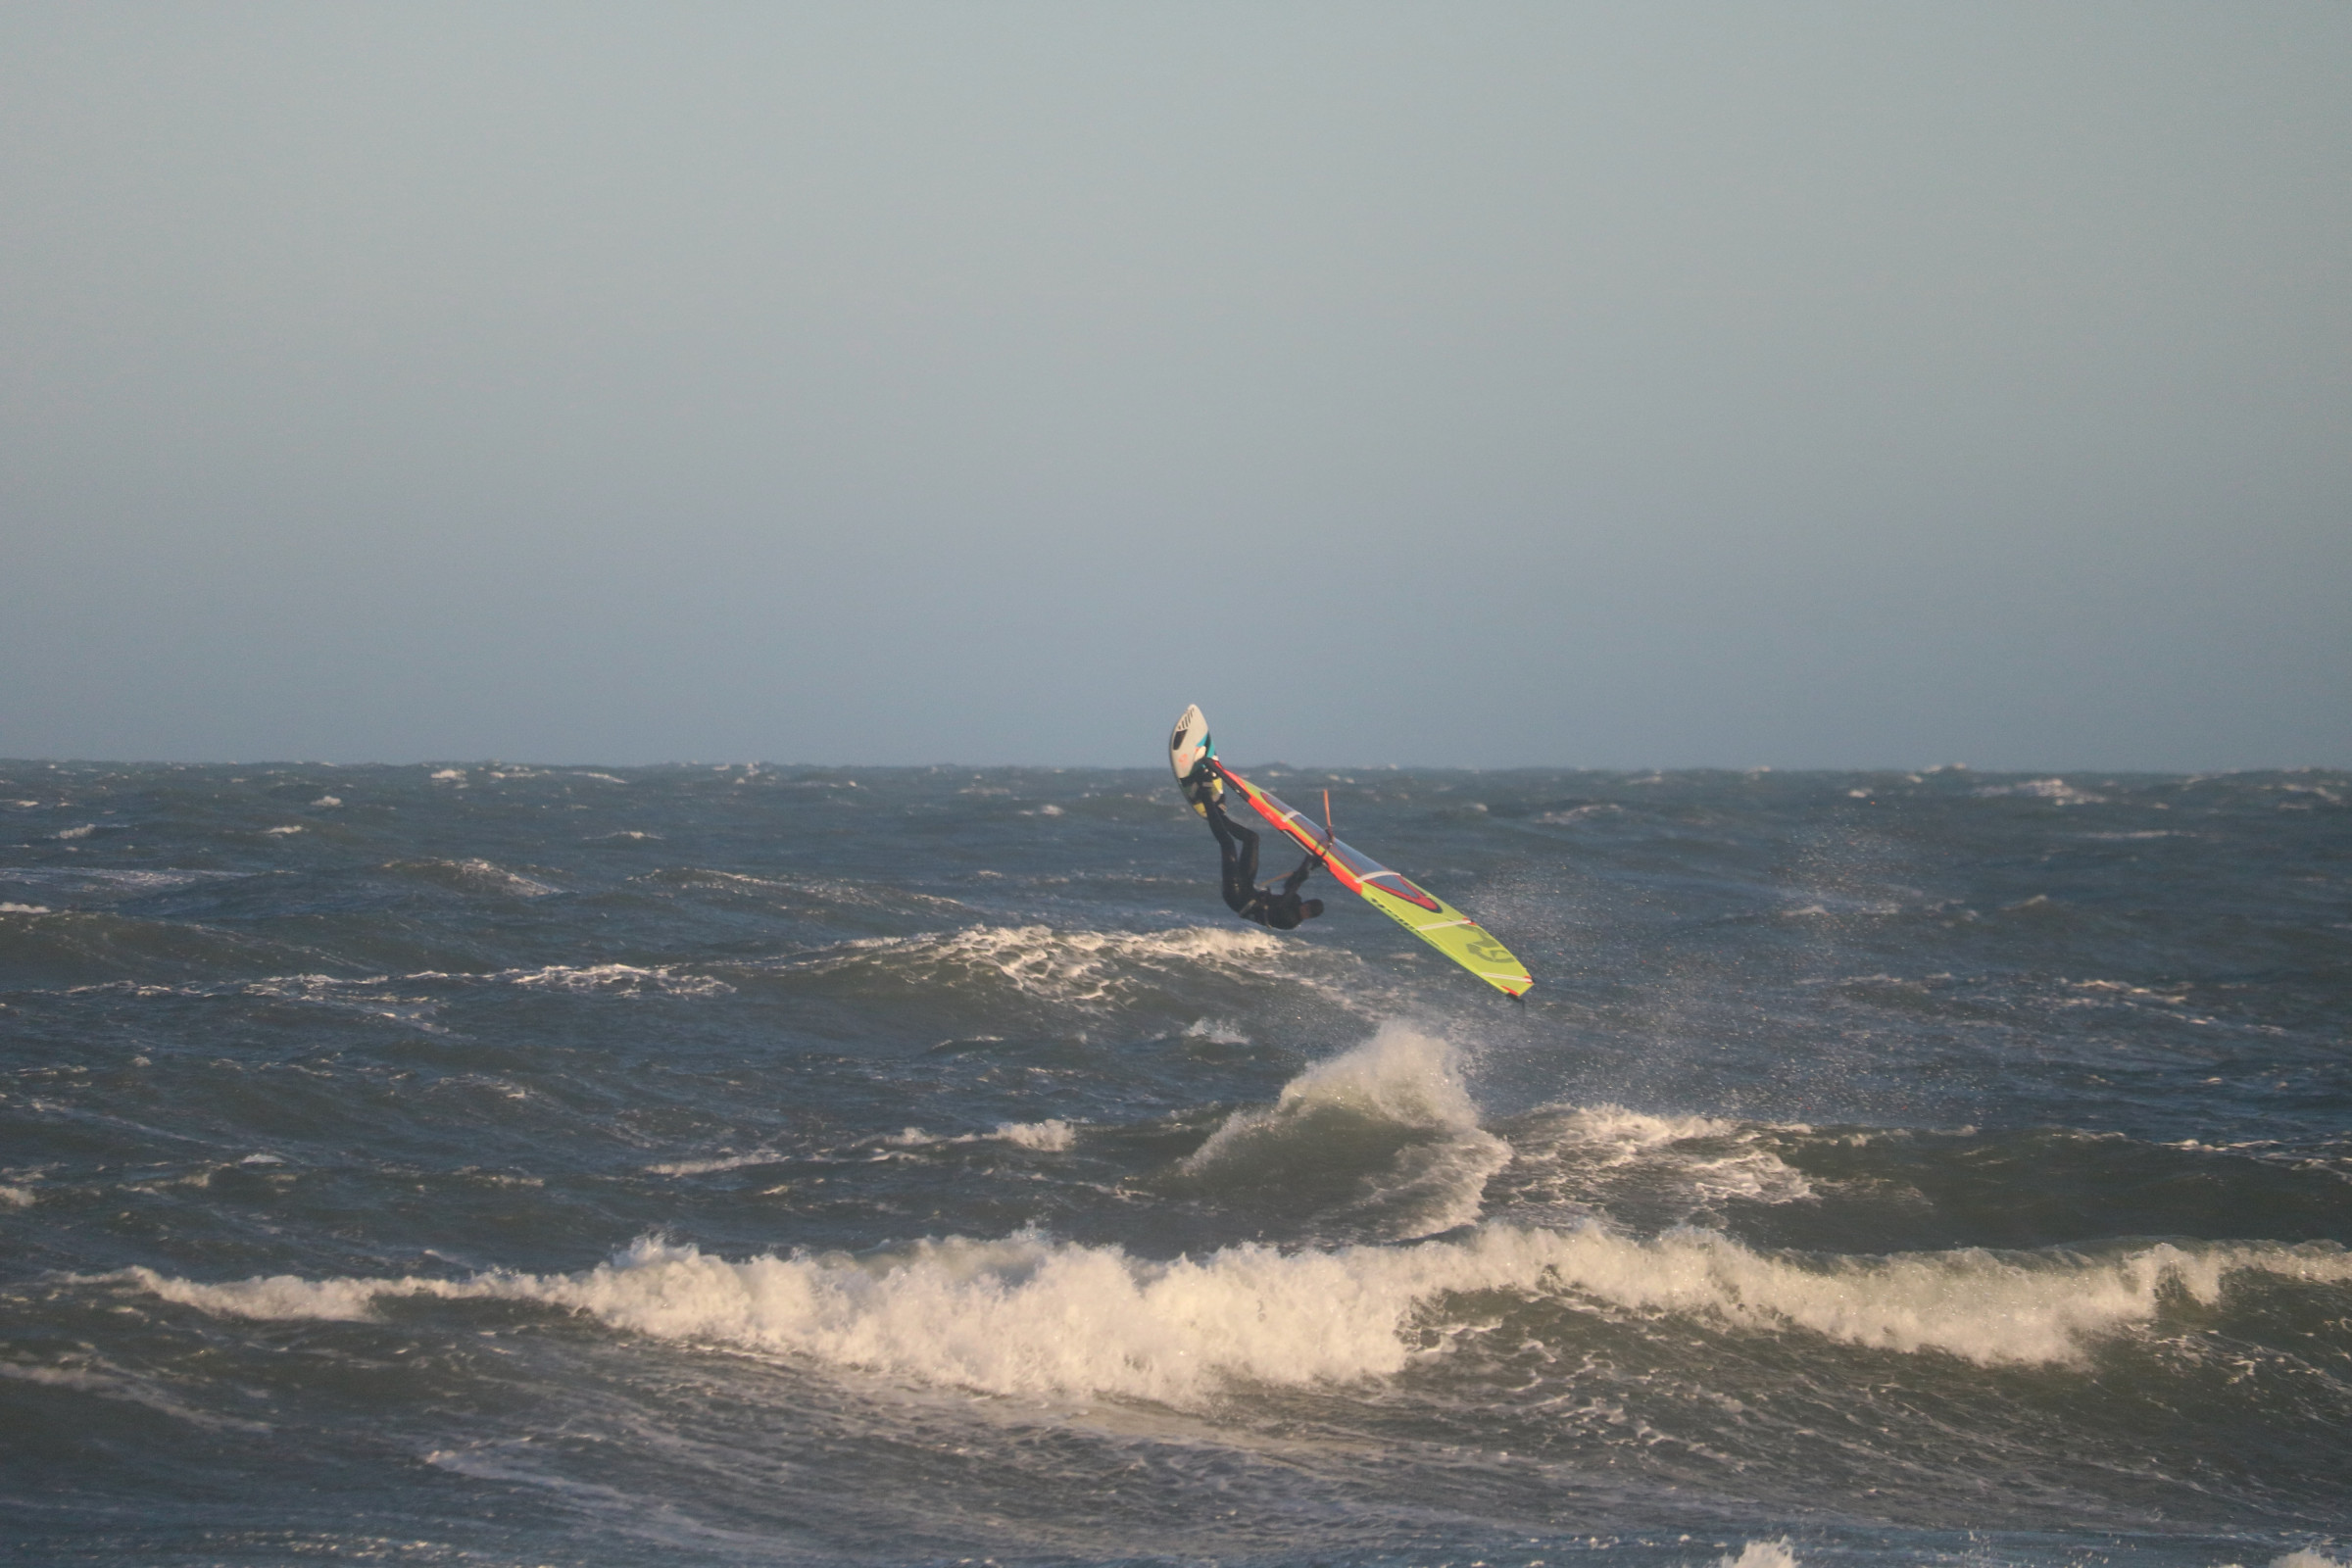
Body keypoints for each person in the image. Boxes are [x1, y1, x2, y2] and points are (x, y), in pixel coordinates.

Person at [1198, 780, 1325, 931]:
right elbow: (1291, 883)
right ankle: (1218, 815)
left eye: (1308, 912)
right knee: (1252, 839)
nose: (1305, 909)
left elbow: (1282, 902)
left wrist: (1302, 878)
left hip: (1236, 898)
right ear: (1307, 903)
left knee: (1228, 844)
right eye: (1307, 906)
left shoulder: (1290, 921)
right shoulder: (1297, 901)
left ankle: (1204, 795)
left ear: (1309, 917)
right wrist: (1309, 862)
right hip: (1248, 888)